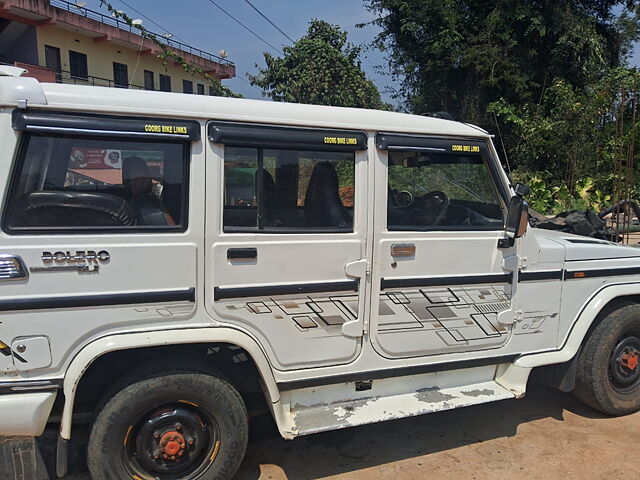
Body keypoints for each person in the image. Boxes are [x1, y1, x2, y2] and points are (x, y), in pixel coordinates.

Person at [122, 156, 175, 226]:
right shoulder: (149, 208)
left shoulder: (152, 205)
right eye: (135, 179)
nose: (145, 180)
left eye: (145, 175)